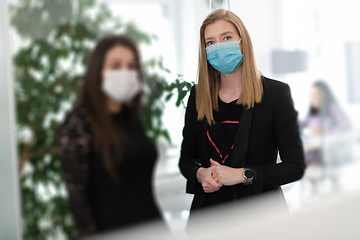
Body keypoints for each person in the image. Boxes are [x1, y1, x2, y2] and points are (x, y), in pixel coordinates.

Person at [179, 9, 305, 217]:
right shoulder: (198, 95)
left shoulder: (275, 94)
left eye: (226, 37)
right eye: (210, 42)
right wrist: (200, 174)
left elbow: (295, 166)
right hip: (209, 216)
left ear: (242, 41)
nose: (218, 47)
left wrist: (243, 175)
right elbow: (187, 159)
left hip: (261, 218)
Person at [59, 35, 162, 237]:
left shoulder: (132, 118)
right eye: (115, 66)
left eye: (132, 66)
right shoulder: (78, 122)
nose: (126, 72)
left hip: (154, 228)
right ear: (98, 72)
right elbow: (78, 200)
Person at [302, 80, 351, 166]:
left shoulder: (333, 108)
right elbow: (304, 125)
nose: (313, 98)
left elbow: (346, 126)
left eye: (316, 95)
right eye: (312, 95)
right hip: (313, 147)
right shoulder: (312, 112)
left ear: (324, 95)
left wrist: (326, 130)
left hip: (329, 150)